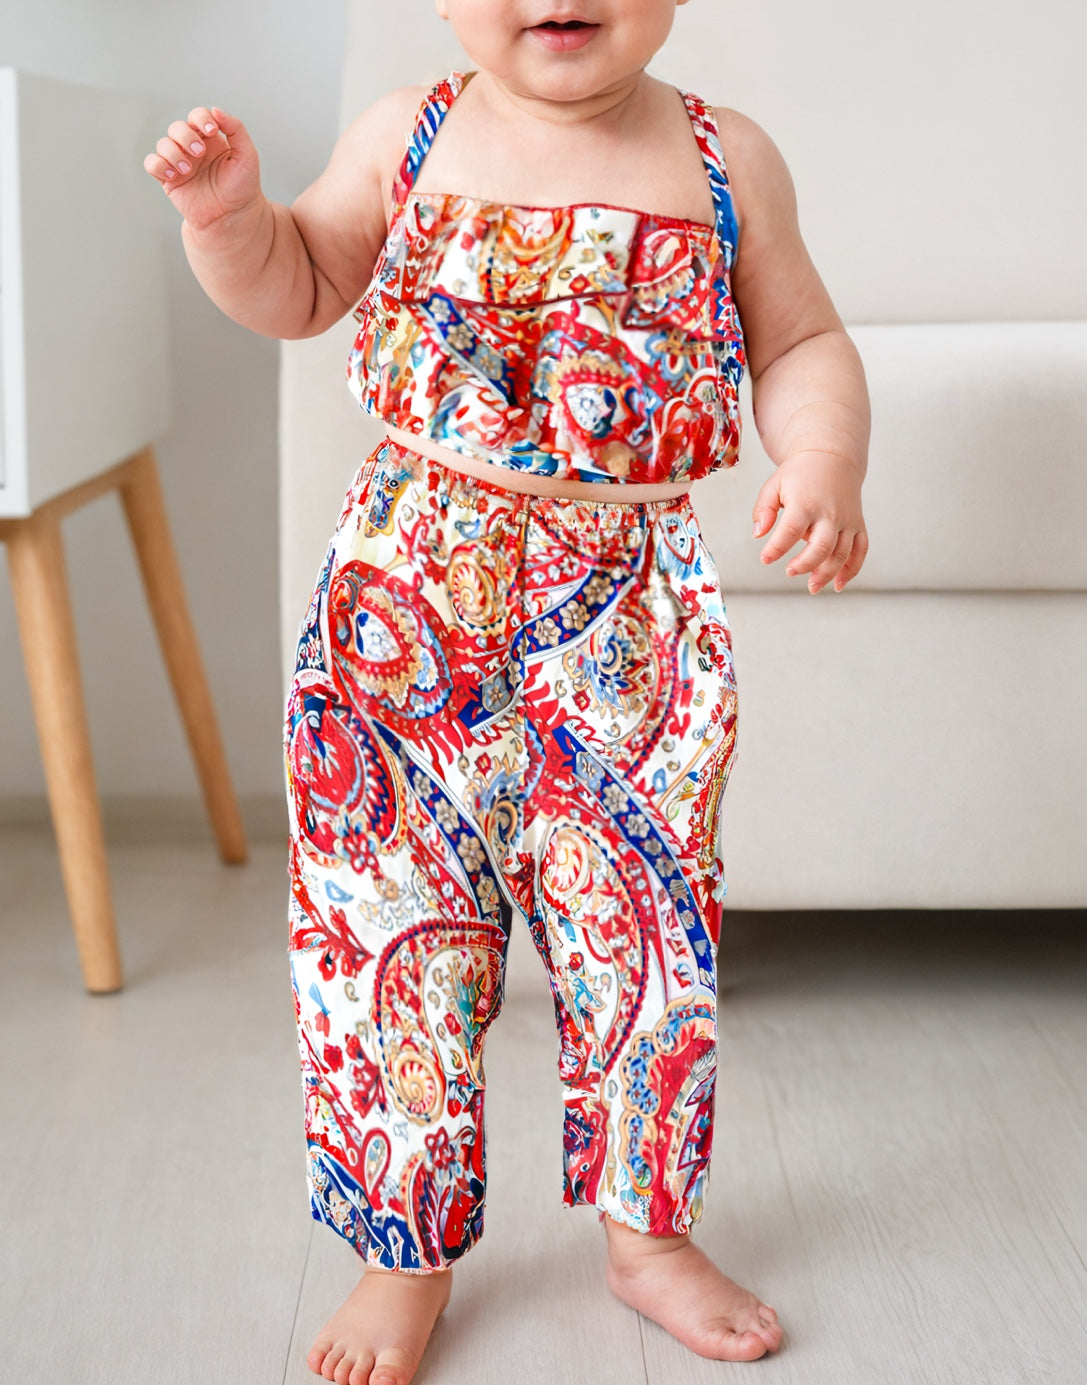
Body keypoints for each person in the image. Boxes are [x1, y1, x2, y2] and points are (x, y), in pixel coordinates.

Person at [145, 3, 869, 1382]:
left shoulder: (728, 161)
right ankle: (401, 1254)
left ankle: (649, 1237)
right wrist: (231, 220)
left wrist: (824, 457)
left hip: (631, 636)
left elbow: (801, 345)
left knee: (647, 947)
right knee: (385, 942)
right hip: (404, 625)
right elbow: (298, 285)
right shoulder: (404, 140)